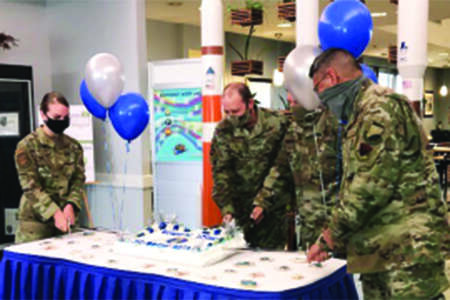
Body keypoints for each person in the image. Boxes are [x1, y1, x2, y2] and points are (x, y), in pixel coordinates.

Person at [306, 48, 449, 299]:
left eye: (320, 90)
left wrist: (328, 239)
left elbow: (366, 190)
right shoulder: (361, 112)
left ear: (332, 77)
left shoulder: (379, 109)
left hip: (407, 253)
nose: (323, 101)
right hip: (382, 250)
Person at [210, 82, 292, 249]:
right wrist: (227, 209)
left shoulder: (277, 123)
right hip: (239, 210)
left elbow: (282, 166)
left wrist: (263, 201)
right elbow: (221, 171)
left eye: (236, 111)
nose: (232, 117)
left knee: (270, 261)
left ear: (250, 104)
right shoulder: (223, 130)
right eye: (227, 112)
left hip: (272, 209)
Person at [253, 101, 340, 251]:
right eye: (290, 101)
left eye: (296, 101)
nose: (292, 106)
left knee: (338, 271)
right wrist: (262, 201)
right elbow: (280, 169)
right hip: (308, 224)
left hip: (336, 225)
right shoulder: (293, 131)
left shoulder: (335, 126)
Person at [14, 92, 86, 243]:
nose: (62, 121)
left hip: (66, 221)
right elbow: (30, 187)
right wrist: (54, 212)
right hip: (36, 225)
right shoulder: (27, 146)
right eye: (57, 117)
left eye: (65, 117)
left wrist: (71, 204)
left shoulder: (73, 146)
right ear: (43, 114)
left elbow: (78, 180)